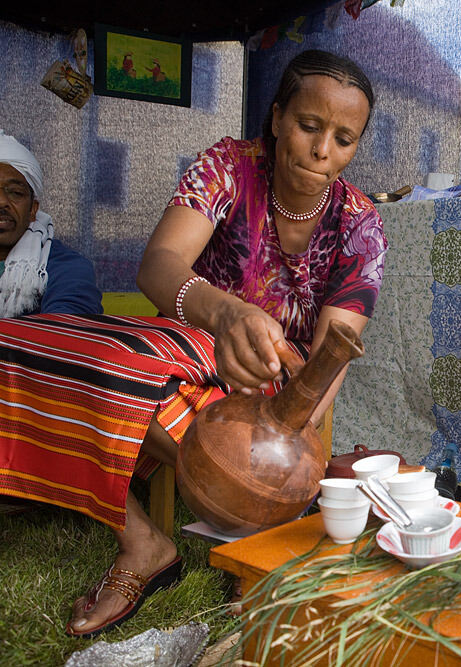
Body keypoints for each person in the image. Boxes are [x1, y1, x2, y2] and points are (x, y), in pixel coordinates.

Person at [0, 50, 386, 639]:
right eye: (309, 126)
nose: (322, 150)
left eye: (344, 138)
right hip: (176, 345)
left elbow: (332, 357)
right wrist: (227, 313)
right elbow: (158, 268)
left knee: (111, 376)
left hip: (274, 394)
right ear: (278, 117)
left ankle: (238, 512)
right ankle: (144, 539)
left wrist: (289, 422)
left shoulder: (360, 224)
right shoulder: (229, 166)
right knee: (23, 345)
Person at [0, 131, 102, 316]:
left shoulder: (66, 268)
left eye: (15, 192)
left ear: (33, 210)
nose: (2, 202)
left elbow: (67, 329)